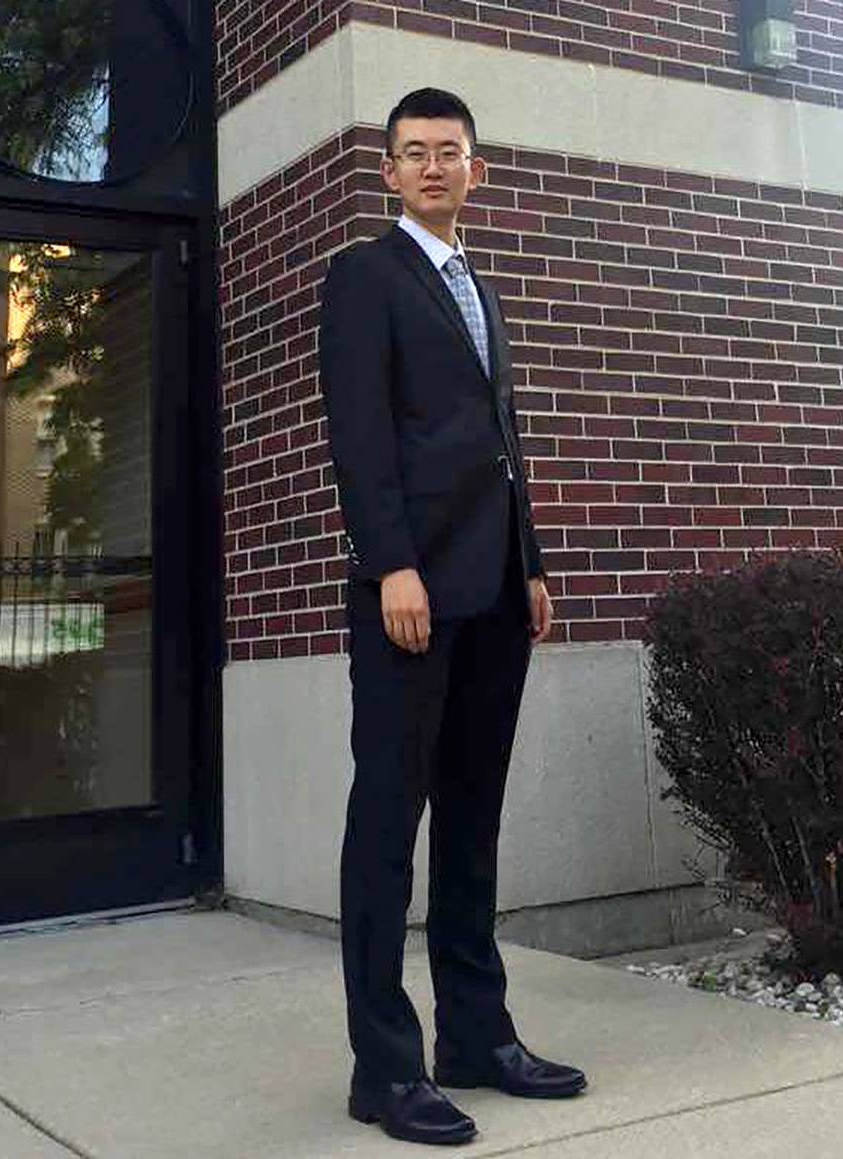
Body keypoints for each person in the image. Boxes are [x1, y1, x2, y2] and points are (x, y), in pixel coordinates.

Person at [318, 87, 587, 1146]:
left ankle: (475, 1035)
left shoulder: (481, 286)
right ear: (388, 172)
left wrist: (532, 565)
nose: (434, 165)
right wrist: (390, 563)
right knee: (388, 826)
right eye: (414, 152)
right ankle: (385, 1069)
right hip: (411, 596)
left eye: (450, 151)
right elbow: (360, 433)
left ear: (477, 168)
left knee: (472, 820)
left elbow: (501, 442)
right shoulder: (365, 276)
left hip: (494, 595)